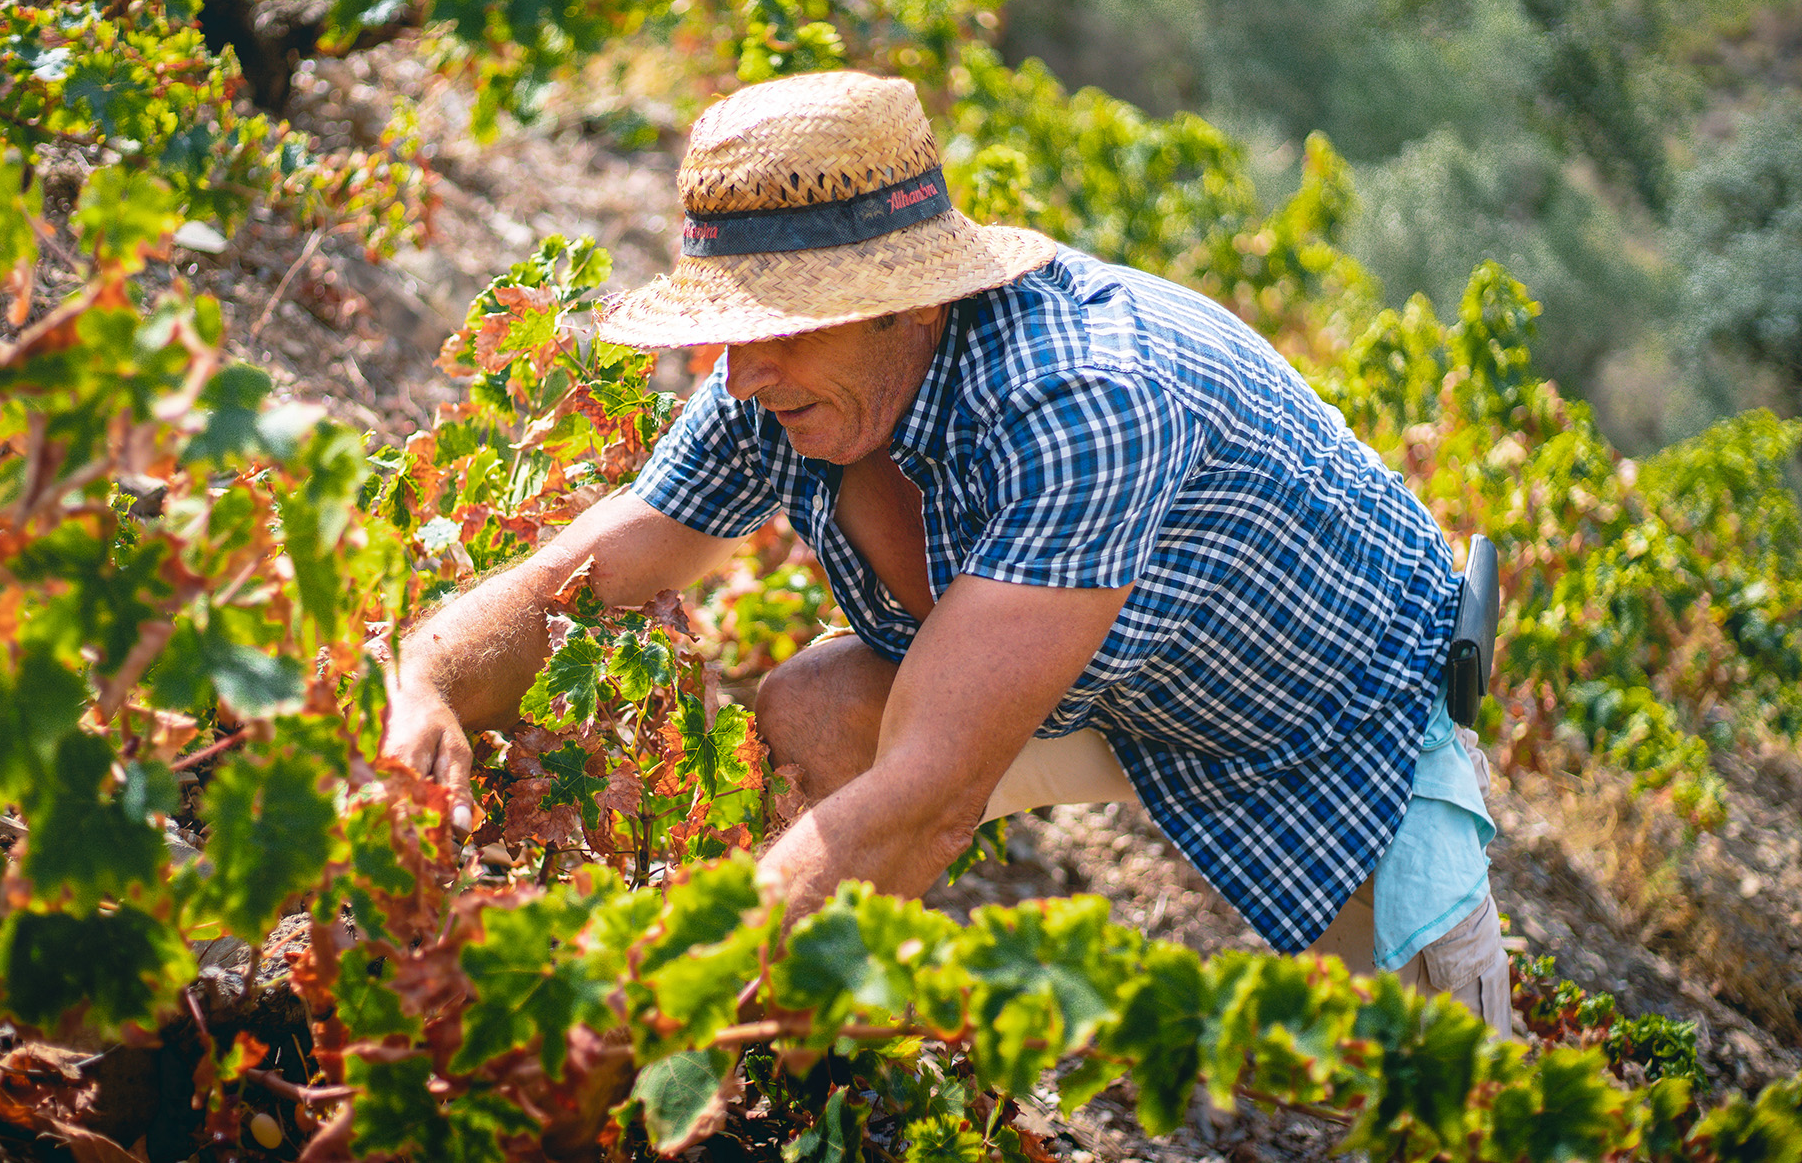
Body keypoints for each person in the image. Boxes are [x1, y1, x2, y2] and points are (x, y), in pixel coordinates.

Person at [381, 70, 1512, 1032]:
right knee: (819, 714)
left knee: (1436, 1096)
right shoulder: (779, 386)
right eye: (724, 326)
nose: (737, 372)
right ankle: (814, 1042)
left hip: (1318, 710)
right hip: (1099, 668)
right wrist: (424, 683)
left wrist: (664, 993)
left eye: (776, 325)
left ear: (908, 304)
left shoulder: (1079, 402)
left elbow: (929, 794)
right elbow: (582, 576)